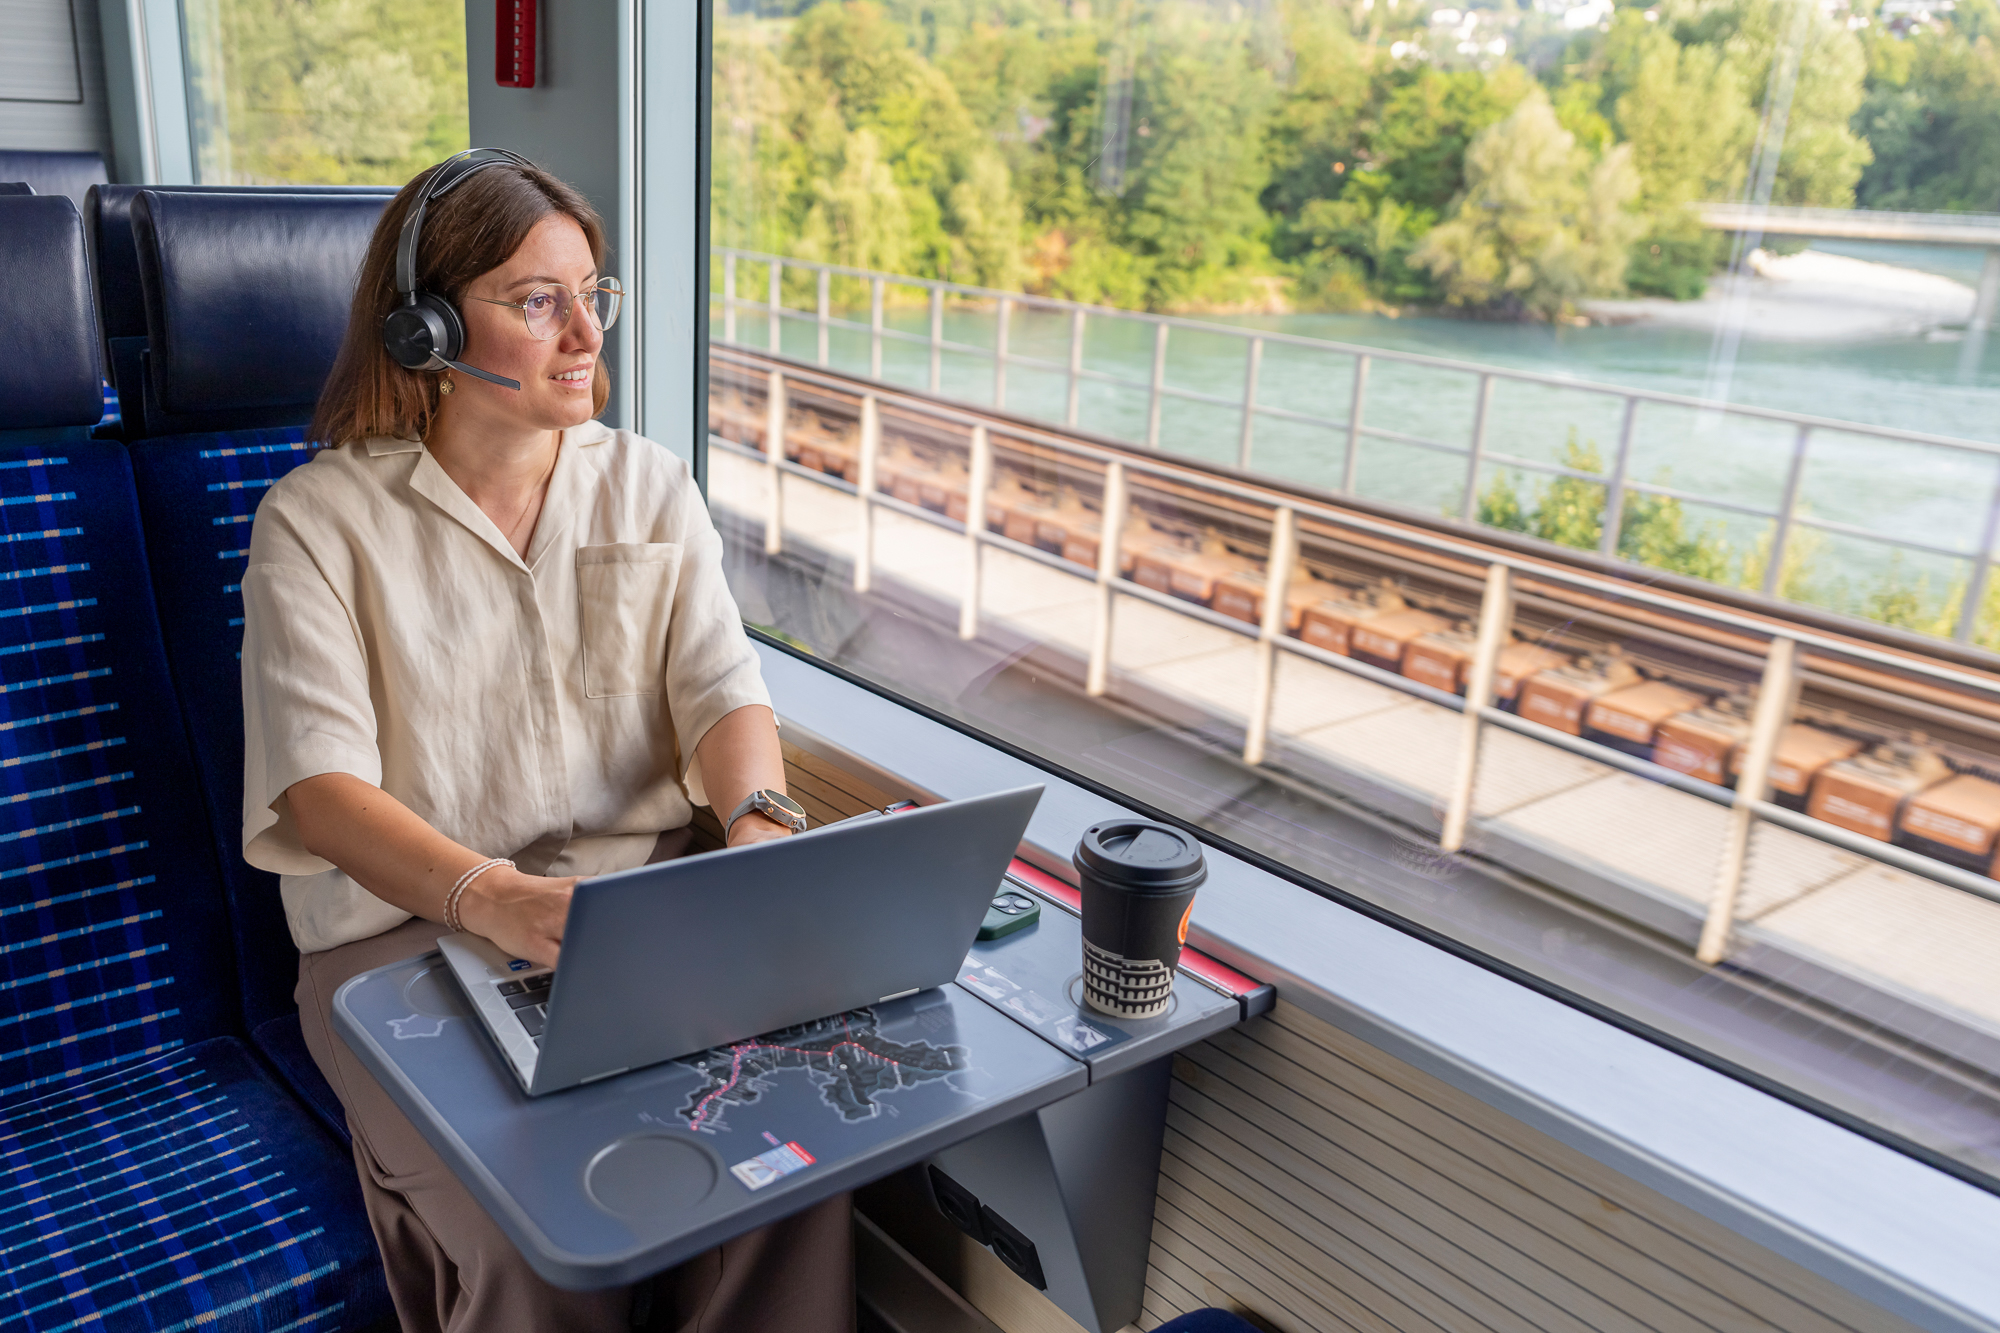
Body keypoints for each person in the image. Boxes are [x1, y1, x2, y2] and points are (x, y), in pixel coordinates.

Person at [240, 150, 852, 1333]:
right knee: (529, 1243)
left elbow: (724, 691)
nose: (584, 332)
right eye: (536, 301)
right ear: (423, 331)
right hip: (403, 941)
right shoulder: (315, 524)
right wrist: (487, 894)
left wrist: (762, 823)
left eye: (594, 294)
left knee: (787, 1174)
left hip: (638, 906)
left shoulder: (649, 485)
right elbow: (317, 792)